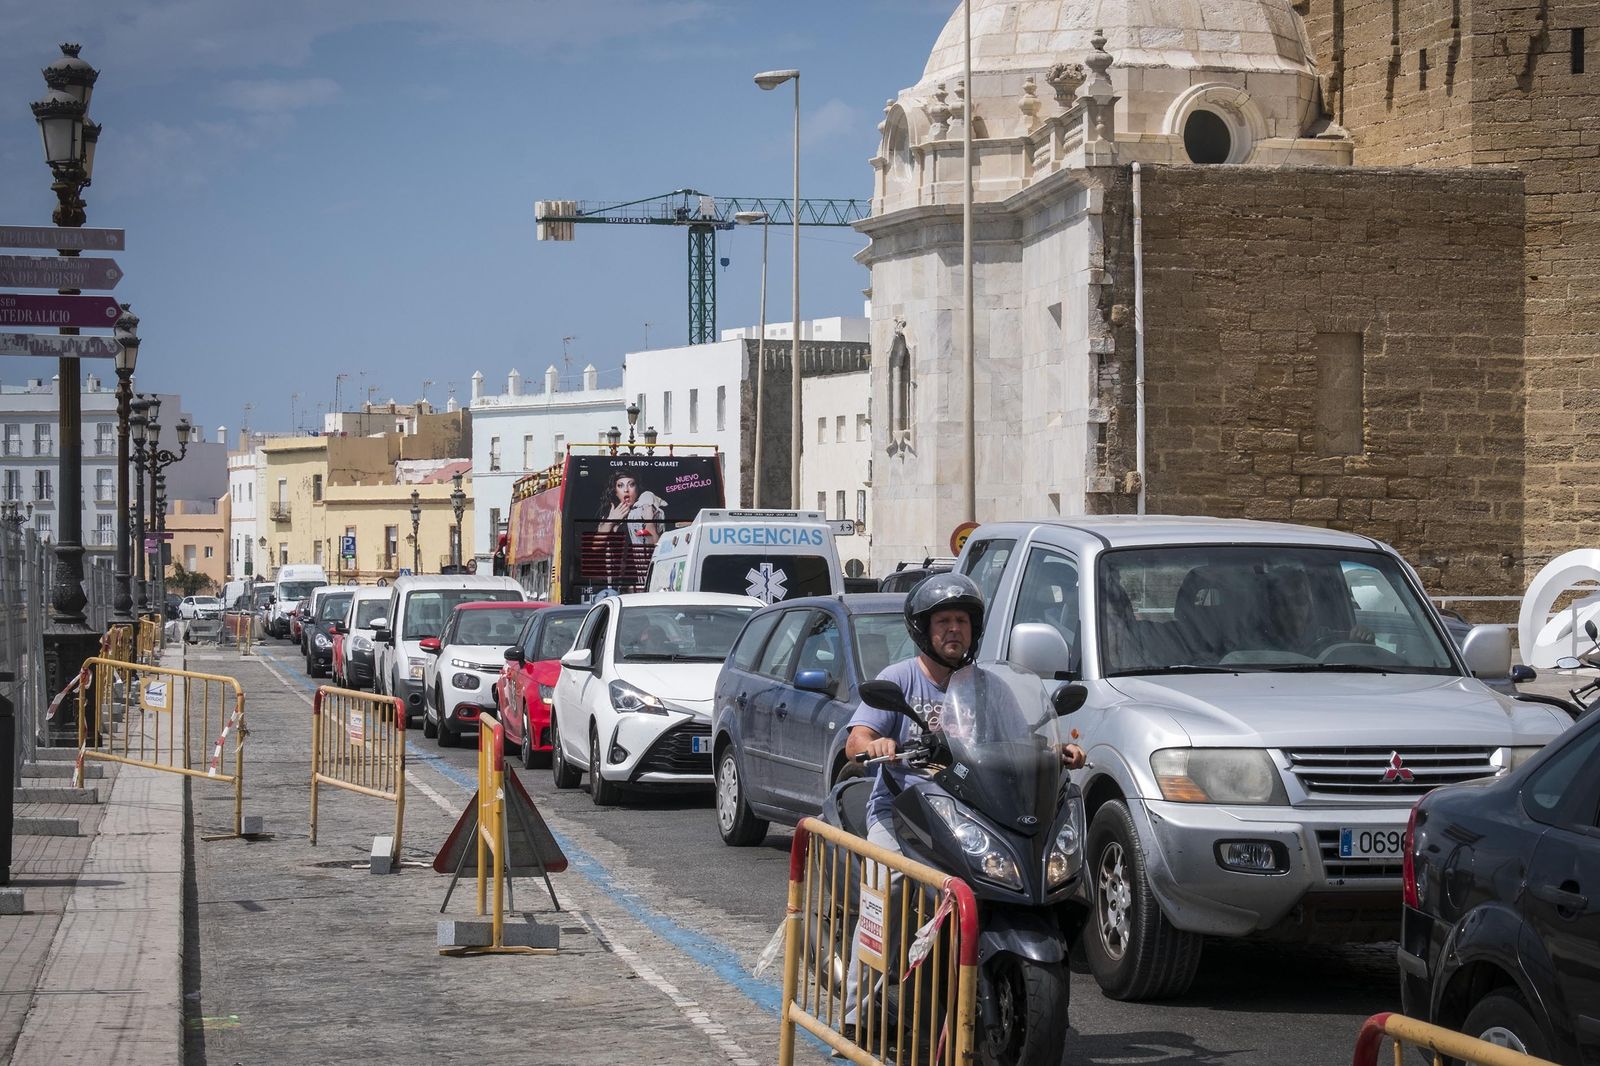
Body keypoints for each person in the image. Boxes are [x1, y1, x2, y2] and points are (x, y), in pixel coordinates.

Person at [840, 572, 1085, 1031]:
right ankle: (857, 1013)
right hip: (902, 814)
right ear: (923, 629)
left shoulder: (988, 686)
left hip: (969, 813)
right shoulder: (900, 678)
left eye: (963, 621)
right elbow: (858, 737)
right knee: (889, 887)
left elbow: (1023, 739)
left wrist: (1058, 752)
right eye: (943, 621)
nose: (954, 629)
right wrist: (872, 746)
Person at [595, 473, 667, 547]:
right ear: (615, 491)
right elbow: (596, 546)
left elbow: (656, 547)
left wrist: (649, 522)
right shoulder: (611, 511)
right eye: (620, 486)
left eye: (631, 485)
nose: (626, 490)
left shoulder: (644, 504)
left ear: (637, 488)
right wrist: (611, 519)